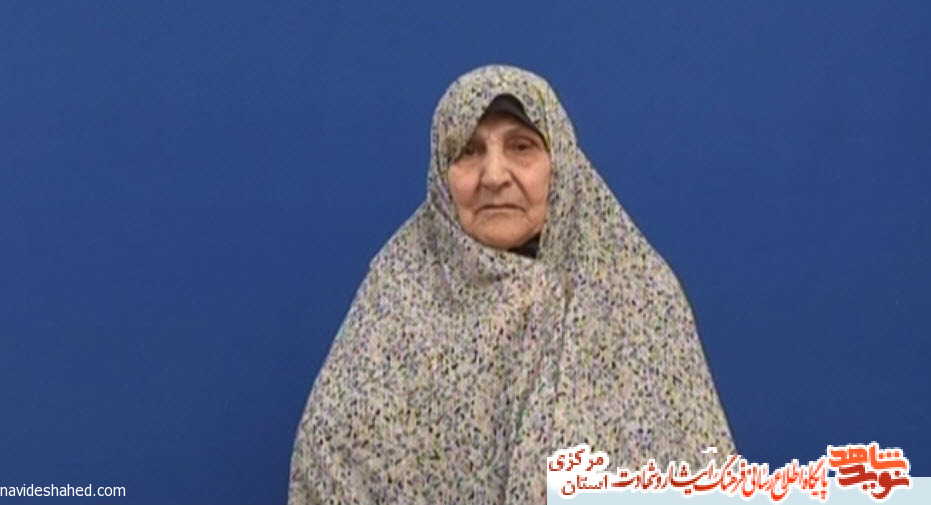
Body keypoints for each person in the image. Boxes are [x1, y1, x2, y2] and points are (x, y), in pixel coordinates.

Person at [288, 64, 735, 504]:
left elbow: (699, 475)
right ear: (442, 174)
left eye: (521, 147)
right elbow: (330, 460)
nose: (494, 176)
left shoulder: (637, 295)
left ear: (560, 164)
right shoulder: (397, 299)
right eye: (468, 151)